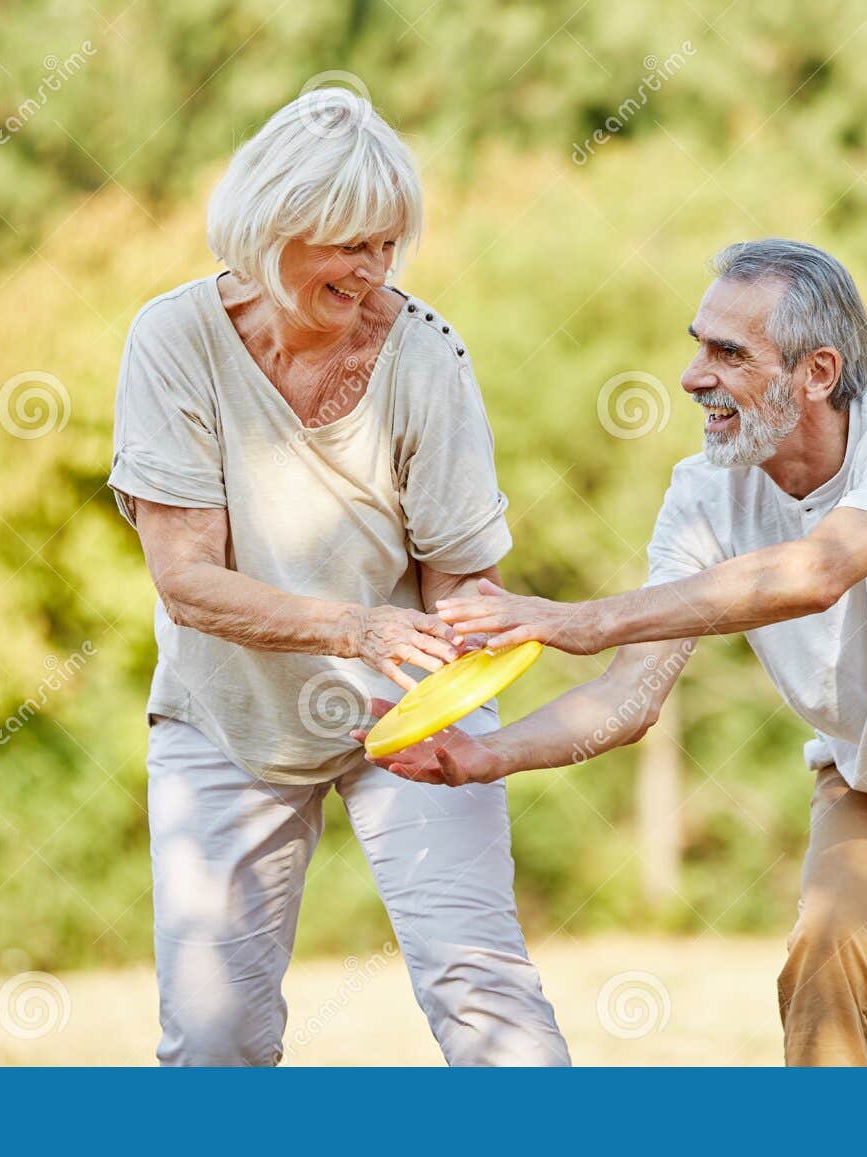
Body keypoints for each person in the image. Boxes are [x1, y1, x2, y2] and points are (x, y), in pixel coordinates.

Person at [362, 239, 867, 1067]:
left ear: (818, 373)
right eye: (698, 345)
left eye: (728, 353)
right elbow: (631, 698)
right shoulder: (704, 495)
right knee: (822, 956)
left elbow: (820, 570)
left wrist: (578, 619)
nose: (693, 376)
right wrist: (486, 755)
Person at [108, 88, 568, 1066]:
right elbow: (186, 579)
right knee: (212, 1035)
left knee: (481, 988)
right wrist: (354, 628)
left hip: (409, 704)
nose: (374, 272)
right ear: (273, 228)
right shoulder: (173, 342)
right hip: (224, 716)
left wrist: (458, 667)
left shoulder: (425, 355)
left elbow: (463, 584)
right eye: (349, 245)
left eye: (389, 245)